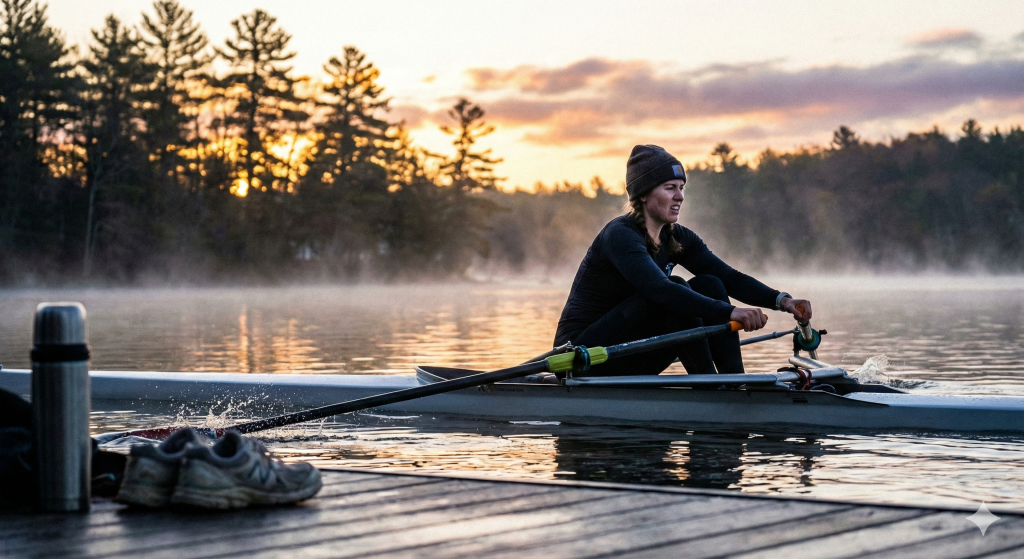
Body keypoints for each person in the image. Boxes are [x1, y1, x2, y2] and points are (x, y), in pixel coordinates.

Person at [553, 144, 812, 377]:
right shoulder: (620, 235)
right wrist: (730, 312)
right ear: (643, 194)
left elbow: (728, 277)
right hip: (581, 355)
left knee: (710, 283)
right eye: (670, 188)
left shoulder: (677, 237)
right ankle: (710, 387)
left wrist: (782, 300)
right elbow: (660, 289)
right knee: (675, 289)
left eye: (681, 188)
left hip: (629, 349)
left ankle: (734, 384)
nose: (680, 196)